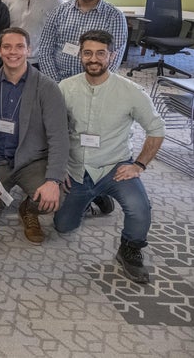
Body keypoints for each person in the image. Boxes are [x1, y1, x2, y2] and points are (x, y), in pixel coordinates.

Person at [55, 30, 165, 284]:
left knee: (140, 208)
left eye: (101, 53)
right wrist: (59, 170)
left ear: (112, 55)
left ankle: (130, 249)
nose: (94, 59)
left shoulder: (132, 91)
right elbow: (55, 132)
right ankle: (97, 199)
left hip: (114, 168)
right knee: (63, 226)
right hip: (77, 171)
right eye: (88, 53)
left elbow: (156, 130)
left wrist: (139, 165)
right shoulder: (65, 88)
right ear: (80, 55)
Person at [0, 28, 69, 244]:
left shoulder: (48, 88)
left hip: (32, 161)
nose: (12, 52)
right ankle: (2, 196)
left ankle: (28, 208)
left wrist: (54, 179)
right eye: (7, 47)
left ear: (29, 50)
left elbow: (59, 137)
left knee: (55, 199)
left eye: (19, 47)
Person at [37, 0, 128, 83]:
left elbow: (113, 59)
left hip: (94, 84)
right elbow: (45, 49)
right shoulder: (59, 11)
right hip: (58, 81)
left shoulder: (115, 17)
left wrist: (92, 84)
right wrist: (55, 83)